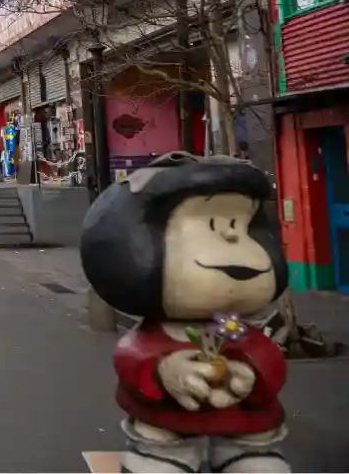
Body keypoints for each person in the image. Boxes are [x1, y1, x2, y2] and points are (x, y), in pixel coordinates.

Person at [79, 152, 289, 473]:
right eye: (213, 226)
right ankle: (163, 457)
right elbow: (132, 358)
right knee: (161, 461)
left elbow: (267, 357)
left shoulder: (237, 329)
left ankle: (243, 455)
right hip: (167, 423)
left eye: (238, 225)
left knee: (259, 465)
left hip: (242, 422)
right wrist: (166, 370)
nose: (232, 237)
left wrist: (250, 373)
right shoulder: (156, 331)